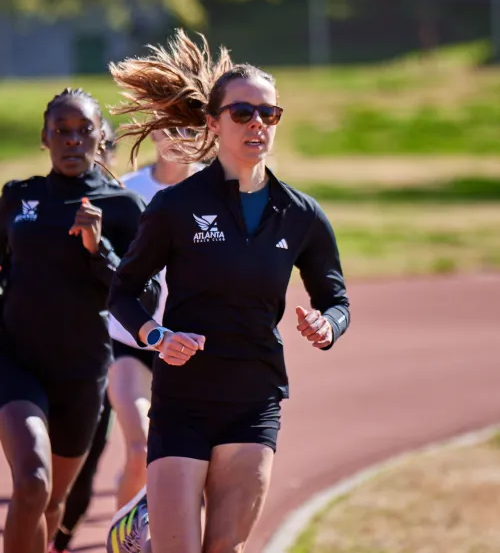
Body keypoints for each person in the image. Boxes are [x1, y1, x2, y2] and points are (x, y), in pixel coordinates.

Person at [107, 29, 350, 553]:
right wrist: (155, 335)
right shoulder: (174, 206)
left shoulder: (302, 215)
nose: (258, 124)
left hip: (253, 399)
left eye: (270, 113)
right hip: (182, 400)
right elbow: (123, 291)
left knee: (226, 549)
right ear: (214, 123)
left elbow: (335, 297)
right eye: (243, 113)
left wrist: (328, 324)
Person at [0, 88, 159, 553]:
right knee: (31, 482)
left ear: (100, 137)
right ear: (45, 139)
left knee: (53, 505)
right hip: (16, 362)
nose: (72, 141)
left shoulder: (125, 208)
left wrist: (99, 249)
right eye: (61, 132)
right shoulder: (16, 198)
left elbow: (144, 295)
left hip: (82, 371)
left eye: (83, 131)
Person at [107, 128, 201, 509]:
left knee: (195, 463)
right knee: (139, 449)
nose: (179, 137)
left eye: (190, 128)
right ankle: (123, 541)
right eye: (170, 127)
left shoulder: (220, 191)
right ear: (154, 131)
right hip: (133, 341)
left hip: (194, 345)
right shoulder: (126, 191)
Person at [50, 117, 119, 553]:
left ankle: (67, 534)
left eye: (105, 142)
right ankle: (56, 526)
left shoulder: (125, 202)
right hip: (75, 348)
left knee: (109, 445)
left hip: (125, 349)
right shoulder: (47, 200)